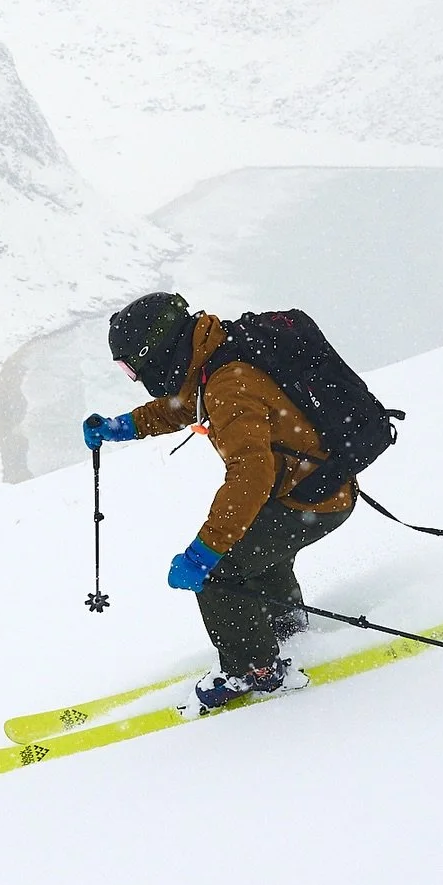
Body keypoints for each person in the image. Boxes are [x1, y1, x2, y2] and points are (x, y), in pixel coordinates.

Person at [84, 291, 356, 714]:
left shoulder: (229, 382)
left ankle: (255, 671)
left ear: (155, 352)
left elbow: (251, 475)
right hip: (311, 487)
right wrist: (124, 427)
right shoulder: (211, 359)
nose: (135, 376)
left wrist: (206, 551)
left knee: (221, 573)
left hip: (311, 496)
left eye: (131, 368)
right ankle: (285, 632)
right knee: (259, 555)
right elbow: (183, 407)